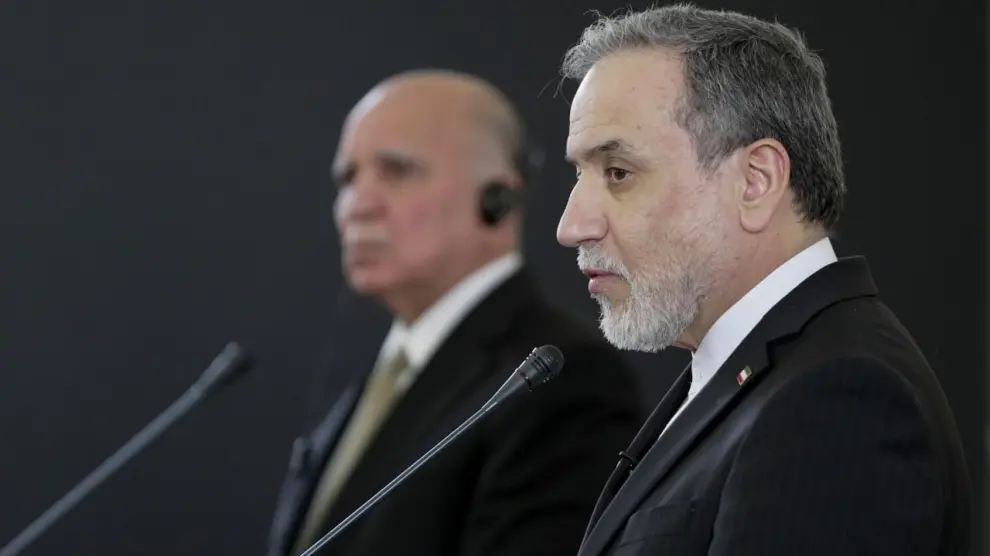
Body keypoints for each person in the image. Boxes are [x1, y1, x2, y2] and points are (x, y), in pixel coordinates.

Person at [555, 4, 971, 556]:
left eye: (618, 173)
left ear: (756, 181)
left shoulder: (838, 404)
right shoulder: (768, 374)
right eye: (579, 173)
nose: (571, 226)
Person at [265, 69, 644, 556]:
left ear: (496, 200)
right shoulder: (384, 372)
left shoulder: (563, 379)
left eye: (396, 170)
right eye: (347, 177)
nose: (357, 204)